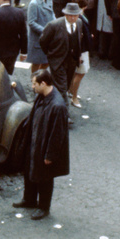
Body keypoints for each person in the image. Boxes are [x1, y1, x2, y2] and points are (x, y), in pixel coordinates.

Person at [12, 69, 69, 221]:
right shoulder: (42, 96)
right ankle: (29, 199)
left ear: (43, 83)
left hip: (44, 147)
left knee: (45, 177)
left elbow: (57, 135)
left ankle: (44, 207)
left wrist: (50, 155)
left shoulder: (57, 106)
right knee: (29, 171)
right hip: (35, 142)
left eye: (34, 84)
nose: (33, 87)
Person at [39, 1, 88, 101]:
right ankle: (63, 112)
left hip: (72, 61)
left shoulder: (79, 23)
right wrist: (51, 55)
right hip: (58, 61)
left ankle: (49, 102)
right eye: (70, 15)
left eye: (75, 15)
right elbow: (43, 41)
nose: (73, 18)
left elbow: (78, 41)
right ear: (65, 14)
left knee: (65, 86)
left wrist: (78, 56)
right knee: (61, 88)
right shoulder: (54, 25)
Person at [26, 0, 55, 71]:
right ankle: (34, 81)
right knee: (36, 62)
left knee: (47, 61)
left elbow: (52, 13)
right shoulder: (34, 4)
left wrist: (56, 24)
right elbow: (31, 22)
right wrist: (46, 31)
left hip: (48, 36)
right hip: (38, 37)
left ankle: (39, 76)